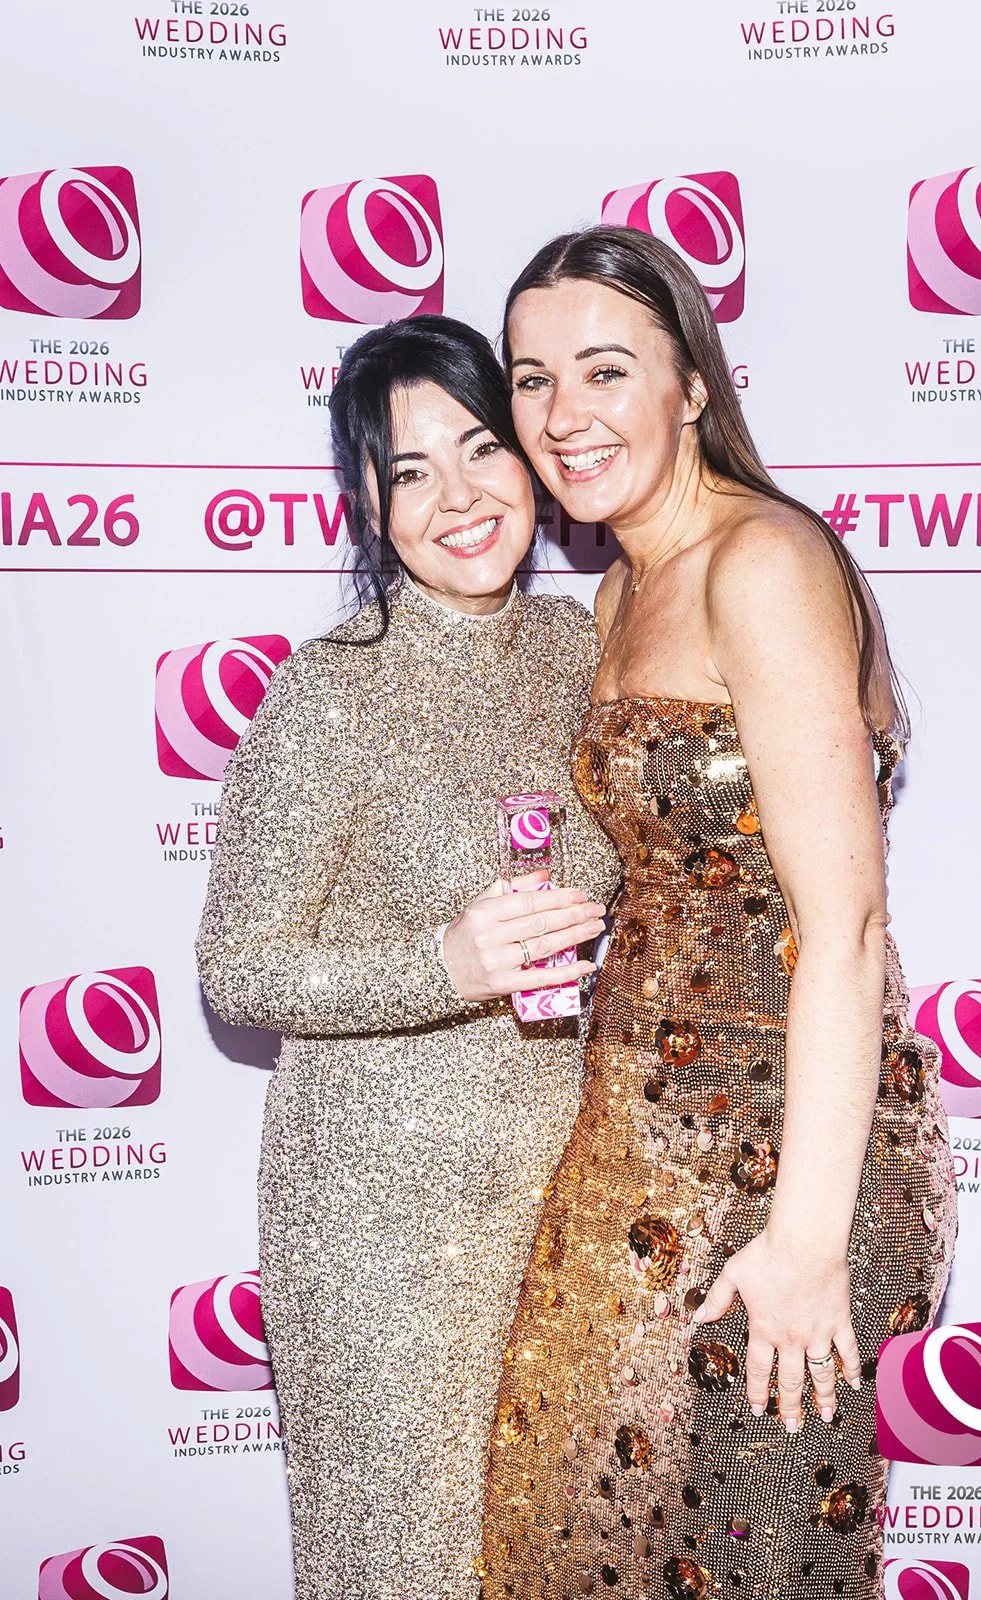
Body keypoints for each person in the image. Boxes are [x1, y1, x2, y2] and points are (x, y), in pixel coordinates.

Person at [479, 228, 957, 1599]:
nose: (561, 417)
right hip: (634, 1134)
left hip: (784, 1146)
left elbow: (844, 924)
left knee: (746, 1554)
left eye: (604, 370)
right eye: (529, 379)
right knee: (587, 1535)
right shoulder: (620, 584)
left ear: (691, 386)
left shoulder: (764, 562)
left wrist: (805, 1243)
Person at [196, 315, 619, 1600]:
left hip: (561, 1199)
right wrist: (442, 961)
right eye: (409, 470)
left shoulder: (580, 650)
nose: (458, 497)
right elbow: (236, 966)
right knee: (403, 1567)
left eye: (481, 448)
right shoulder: (329, 692)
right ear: (369, 506)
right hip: (379, 1219)